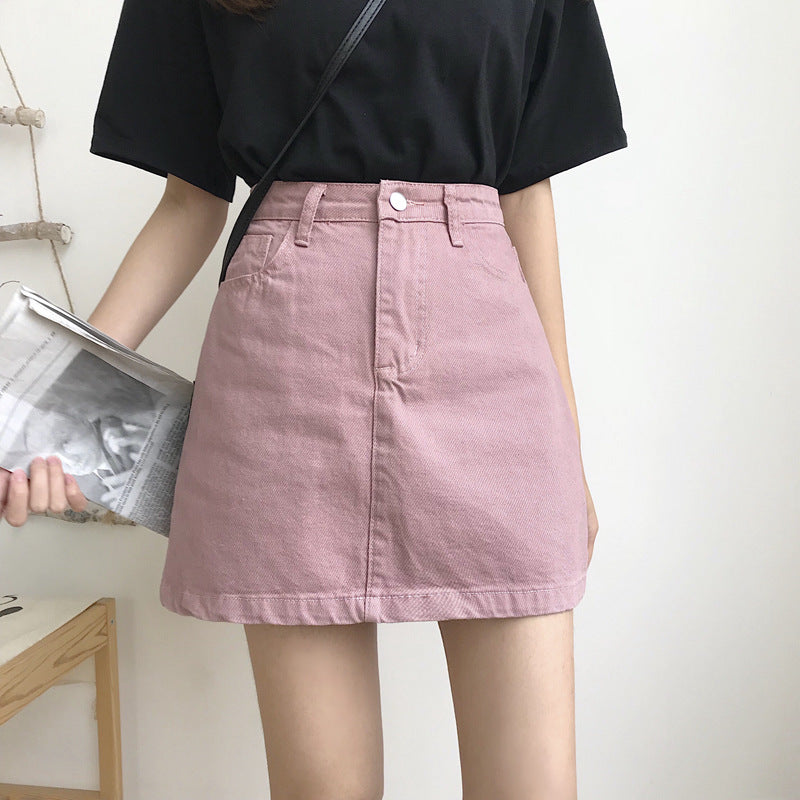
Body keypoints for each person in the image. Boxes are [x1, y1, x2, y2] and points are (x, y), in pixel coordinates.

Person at [1, 0, 628, 796]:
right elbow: (190, 202)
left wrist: (567, 445)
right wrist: (57, 402)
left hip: (489, 359)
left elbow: (526, 192)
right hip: (285, 365)